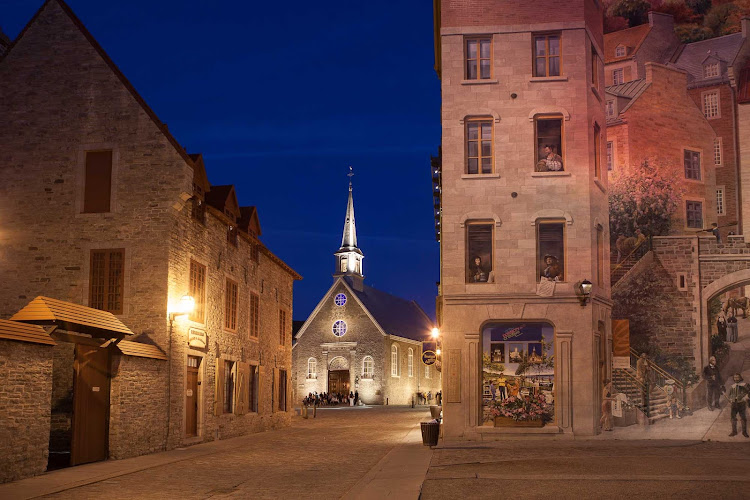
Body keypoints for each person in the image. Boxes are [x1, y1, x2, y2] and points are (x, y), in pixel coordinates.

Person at [727, 373, 749, 437]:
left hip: (741, 403)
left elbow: (748, 393)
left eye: (737, 377)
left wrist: (745, 397)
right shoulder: (732, 386)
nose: (736, 379)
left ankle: (744, 432)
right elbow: (730, 395)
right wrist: (730, 399)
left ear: (740, 378)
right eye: (735, 377)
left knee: (743, 418)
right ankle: (734, 432)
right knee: (733, 418)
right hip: (734, 404)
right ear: (733, 378)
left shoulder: (744, 385)